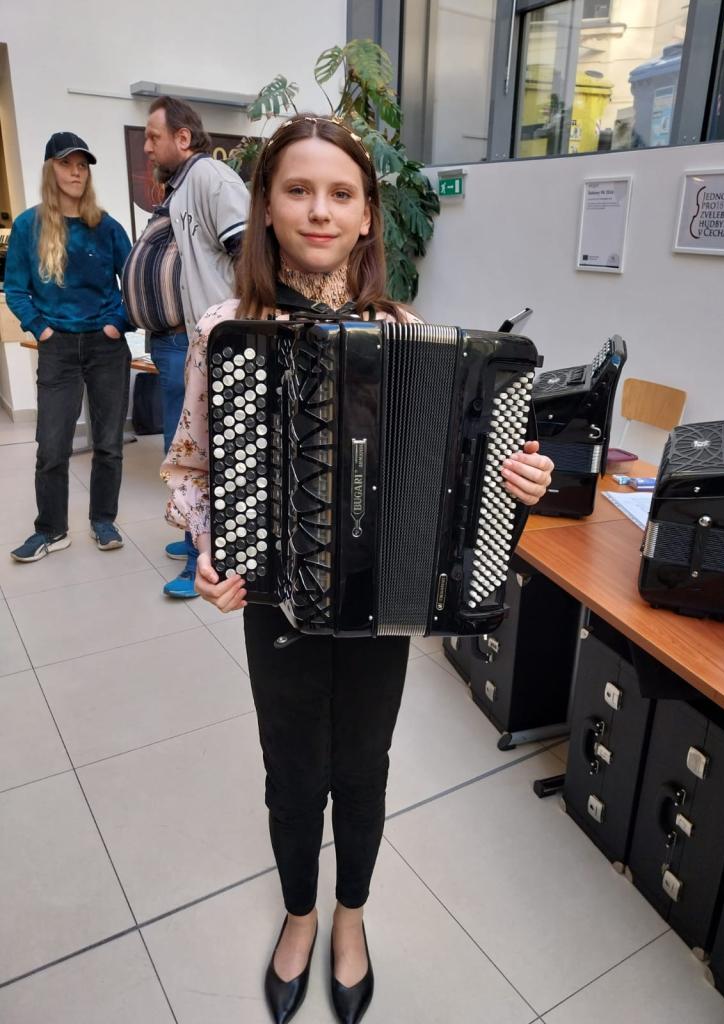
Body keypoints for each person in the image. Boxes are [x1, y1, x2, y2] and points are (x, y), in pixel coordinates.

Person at [161, 114, 554, 1024]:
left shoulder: (405, 329)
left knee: (364, 766)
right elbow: (191, 468)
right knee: (292, 766)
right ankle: (300, 914)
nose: (320, 210)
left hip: (384, 598)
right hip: (276, 597)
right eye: (298, 190)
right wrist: (211, 549)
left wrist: (515, 480)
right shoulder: (228, 329)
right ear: (265, 206)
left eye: (341, 194)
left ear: (368, 214)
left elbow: (458, 476)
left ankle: (351, 917)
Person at [122, 95, 250, 598]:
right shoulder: (181, 186)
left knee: (208, 454)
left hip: (215, 343)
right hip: (185, 340)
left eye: (153, 137)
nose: (147, 147)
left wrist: (238, 336)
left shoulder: (211, 179)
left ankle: (208, 558)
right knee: (185, 452)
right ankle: (194, 534)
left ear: (183, 137)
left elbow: (247, 256)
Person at [6, 132, 132, 563]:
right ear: (50, 170)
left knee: (109, 443)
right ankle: (51, 530)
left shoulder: (106, 227)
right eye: (66, 164)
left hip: (106, 347)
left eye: (82, 165)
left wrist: (118, 324)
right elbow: (16, 288)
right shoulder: (28, 226)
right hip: (57, 347)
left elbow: (135, 281)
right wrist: (41, 329)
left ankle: (103, 520)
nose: (76, 172)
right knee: (51, 446)